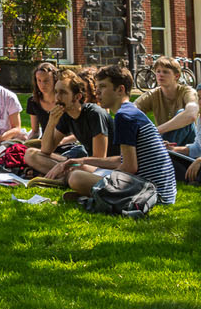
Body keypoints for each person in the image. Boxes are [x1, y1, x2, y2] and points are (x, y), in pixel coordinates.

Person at [63, 66, 178, 205]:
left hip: (150, 194)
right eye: (97, 87)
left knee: (76, 177)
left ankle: (95, 194)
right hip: (160, 192)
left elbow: (129, 167)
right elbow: (122, 160)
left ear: (120, 90)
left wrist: (104, 178)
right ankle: (95, 194)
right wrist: (83, 160)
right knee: (81, 168)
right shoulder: (130, 111)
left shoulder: (124, 116)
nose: (97, 91)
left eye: (103, 86)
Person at [23, 70, 113, 178]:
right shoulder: (66, 114)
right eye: (56, 92)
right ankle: (63, 174)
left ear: (77, 97)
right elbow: (46, 150)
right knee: (30, 154)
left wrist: (67, 165)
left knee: (77, 172)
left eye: (63, 92)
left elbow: (99, 159)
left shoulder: (95, 114)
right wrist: (51, 122)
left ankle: (61, 175)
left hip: (106, 168)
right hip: (84, 164)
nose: (57, 97)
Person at [134, 57, 199, 145]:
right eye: (158, 71)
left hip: (189, 145)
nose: (160, 75)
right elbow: (132, 110)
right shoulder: (153, 94)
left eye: (165, 72)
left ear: (176, 76)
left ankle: (161, 150)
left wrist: (156, 131)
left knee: (182, 113)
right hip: (164, 141)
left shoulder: (188, 92)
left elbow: (191, 115)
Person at [25, 62, 61, 139]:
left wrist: (60, 142)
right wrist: (26, 142)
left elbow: (75, 134)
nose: (42, 85)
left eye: (46, 80)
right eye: (39, 80)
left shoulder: (64, 100)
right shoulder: (33, 101)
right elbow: (35, 131)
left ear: (55, 80)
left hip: (66, 143)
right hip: (45, 142)